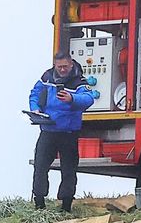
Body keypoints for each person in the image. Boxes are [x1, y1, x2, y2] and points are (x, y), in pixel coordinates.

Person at [29, 50, 94, 211]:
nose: (62, 70)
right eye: (59, 67)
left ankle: (66, 205)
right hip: (48, 130)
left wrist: (72, 99)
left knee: (69, 170)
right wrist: (35, 109)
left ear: (71, 64)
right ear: (55, 65)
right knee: (40, 166)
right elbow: (35, 94)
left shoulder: (79, 80)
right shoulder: (46, 78)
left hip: (68, 132)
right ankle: (39, 203)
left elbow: (89, 99)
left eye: (65, 66)